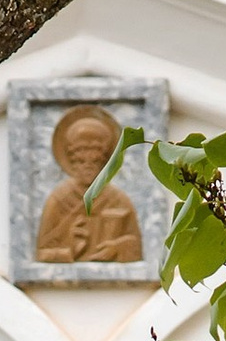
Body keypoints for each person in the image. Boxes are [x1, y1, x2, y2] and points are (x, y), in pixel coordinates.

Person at [33, 101, 146, 265]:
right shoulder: (59, 199)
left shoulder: (118, 199)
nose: (88, 167)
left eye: (95, 161)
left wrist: (116, 247)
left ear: (105, 162)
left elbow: (135, 247)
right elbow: (43, 253)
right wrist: (70, 249)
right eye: (81, 161)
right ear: (71, 161)